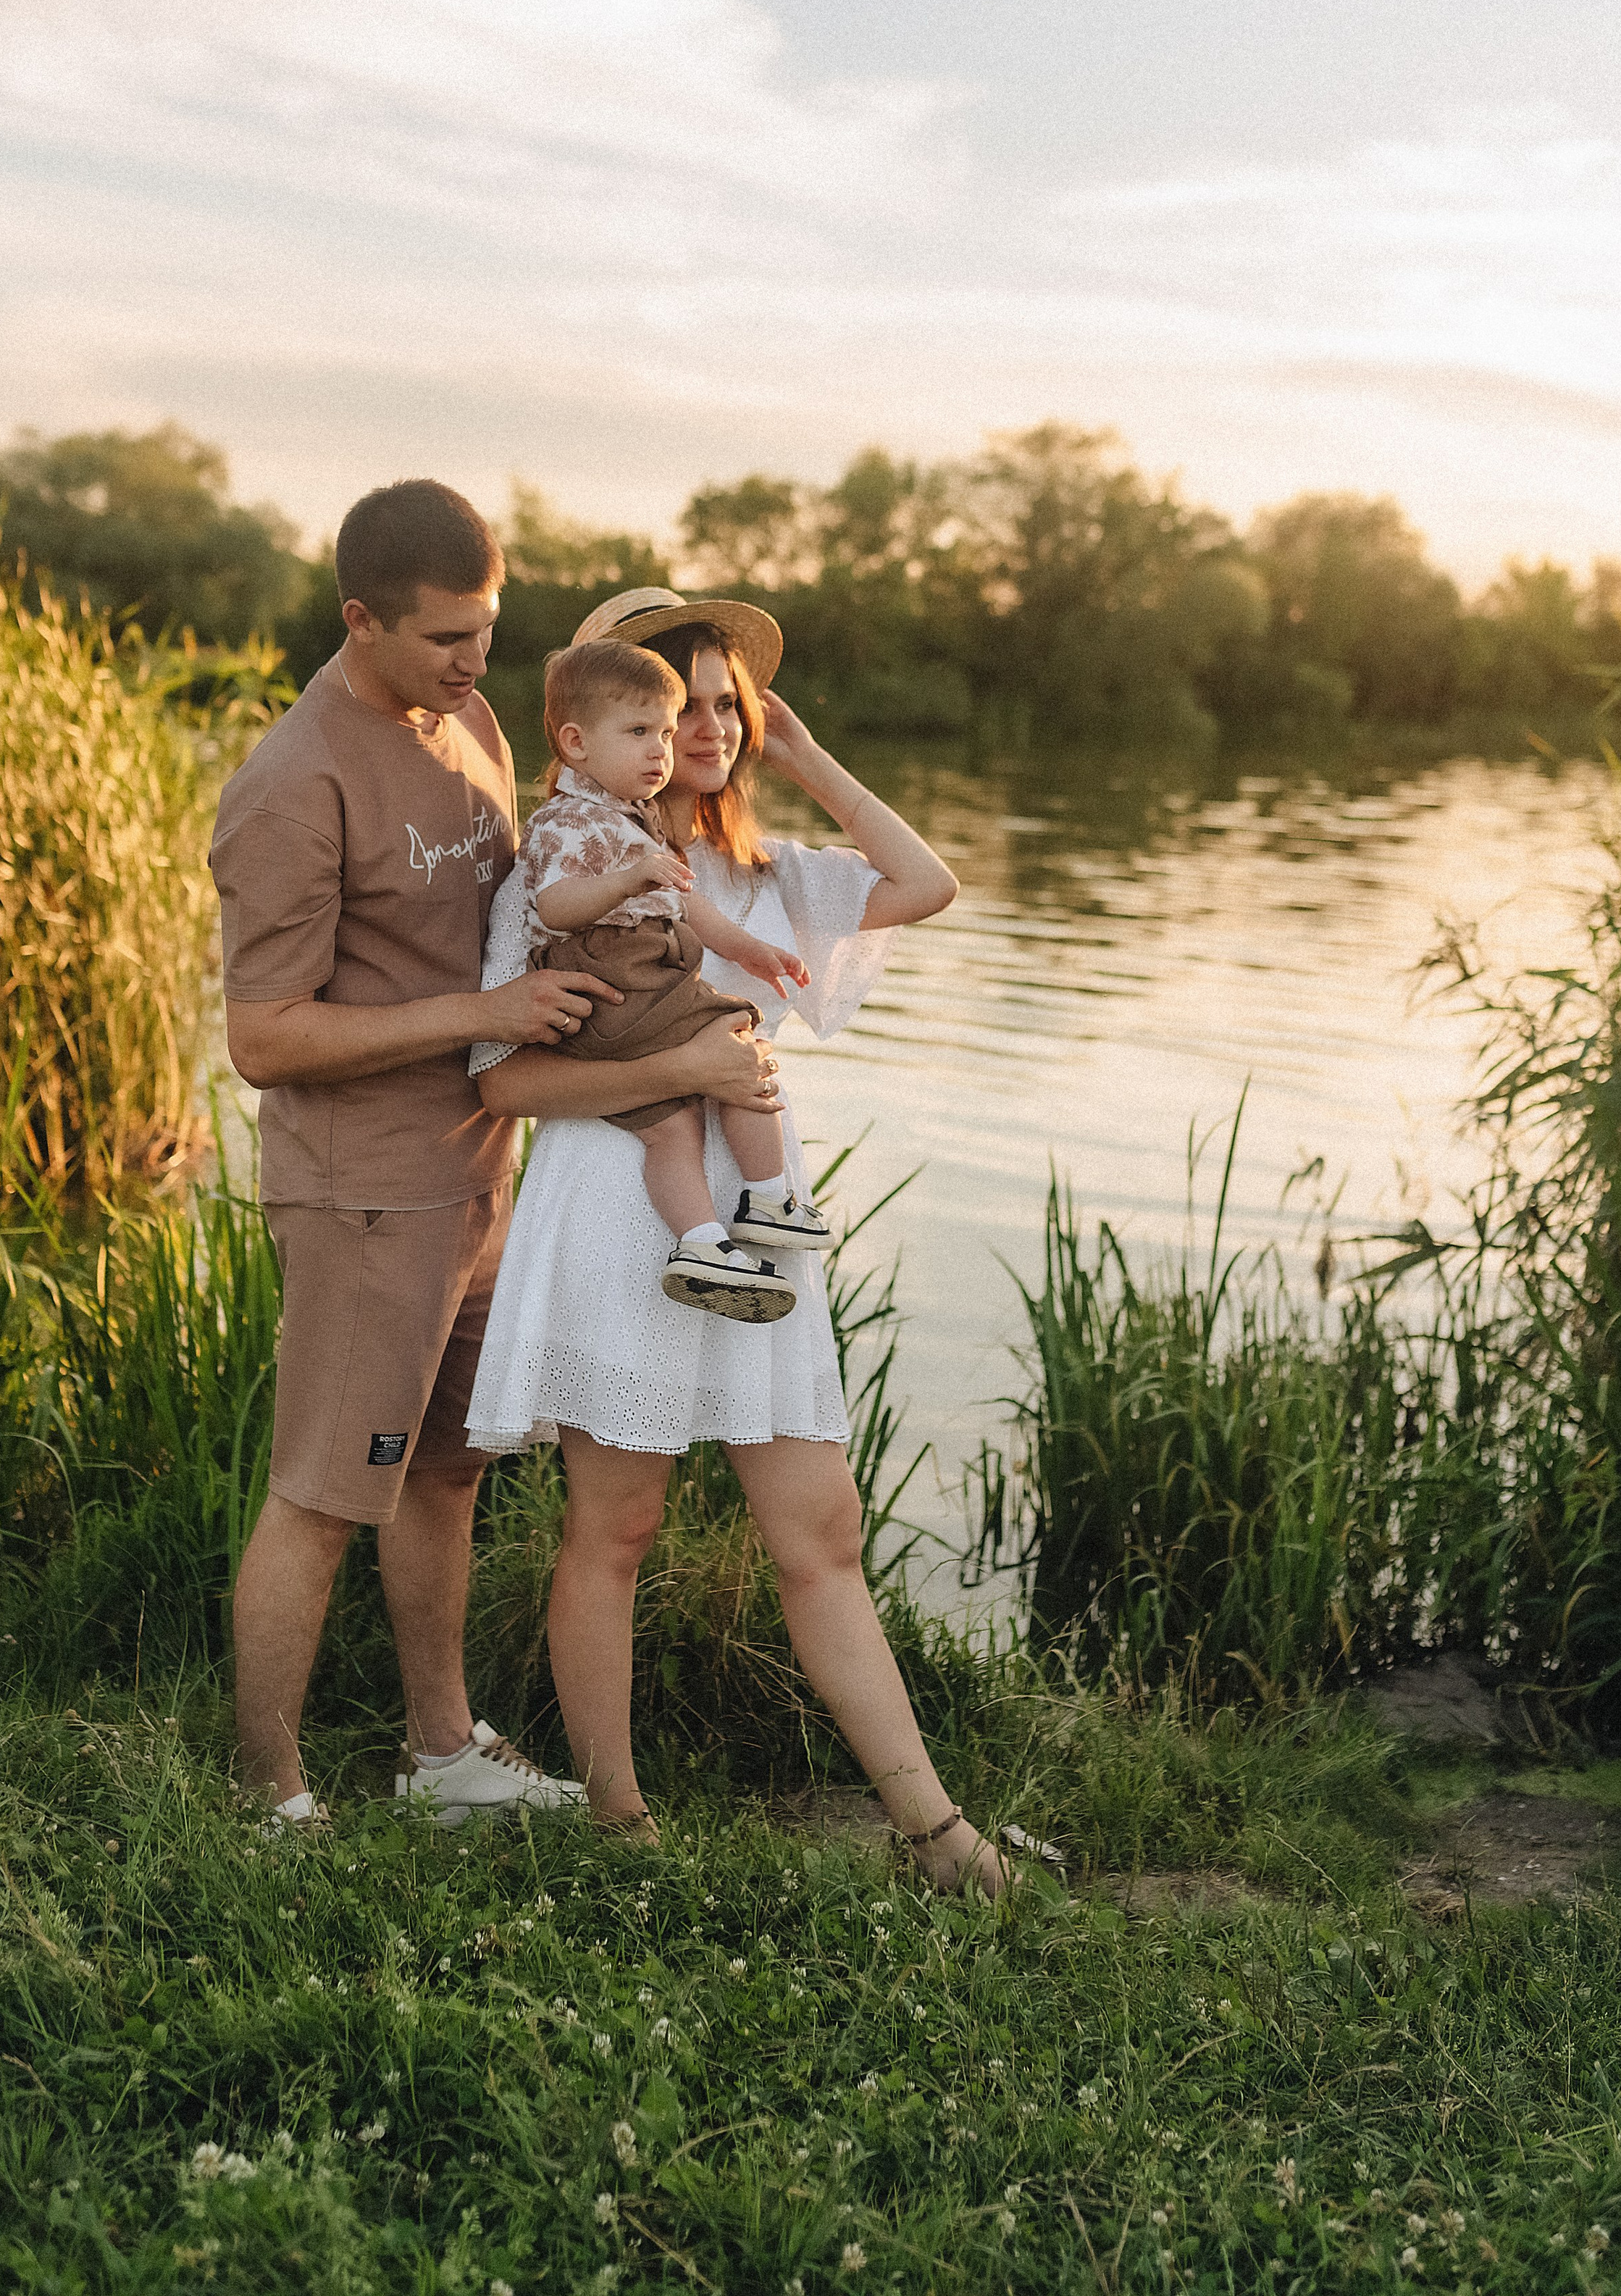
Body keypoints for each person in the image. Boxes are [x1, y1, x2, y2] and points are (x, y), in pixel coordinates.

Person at [210, 501, 776, 1829]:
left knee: (447, 1468)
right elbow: (259, 1035)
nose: (476, 664)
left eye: (490, 634)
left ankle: (440, 1748)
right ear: (362, 620)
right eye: (447, 637)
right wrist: (485, 1020)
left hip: (481, 1166)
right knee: (323, 1490)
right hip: (363, 1184)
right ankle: (268, 1796)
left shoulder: (468, 722)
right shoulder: (295, 783)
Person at [465, 588, 1024, 1896]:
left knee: (819, 1522)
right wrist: (683, 1055)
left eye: (727, 702)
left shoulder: (766, 880)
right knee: (616, 1523)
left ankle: (934, 1829)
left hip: (760, 1231)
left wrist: (805, 754)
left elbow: (927, 882)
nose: (702, 726)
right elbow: (500, 1085)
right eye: (679, 700)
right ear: (609, 721)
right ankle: (620, 1820)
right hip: (615, 1210)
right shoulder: (561, 863)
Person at [520, 634, 834, 1323]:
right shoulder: (569, 821)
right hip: (612, 981)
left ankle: (700, 1243)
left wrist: (751, 948)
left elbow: (690, 902)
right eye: (644, 731)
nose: (662, 748)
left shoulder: (632, 821)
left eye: (664, 732)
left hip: (630, 990)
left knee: (673, 1129)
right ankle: (767, 1197)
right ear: (575, 744)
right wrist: (630, 875)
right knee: (735, 1032)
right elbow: (551, 906)